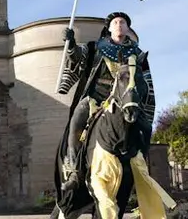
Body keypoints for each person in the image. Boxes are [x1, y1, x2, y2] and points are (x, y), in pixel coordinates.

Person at [58, 11, 156, 187]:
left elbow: (145, 81)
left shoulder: (137, 54)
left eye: (123, 22)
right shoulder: (95, 47)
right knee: (76, 121)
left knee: (146, 128)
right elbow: (77, 57)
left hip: (126, 100)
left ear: (127, 28)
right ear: (109, 28)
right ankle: (74, 171)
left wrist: (142, 100)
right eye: (116, 22)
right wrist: (71, 43)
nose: (119, 25)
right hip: (96, 98)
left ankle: (141, 171)